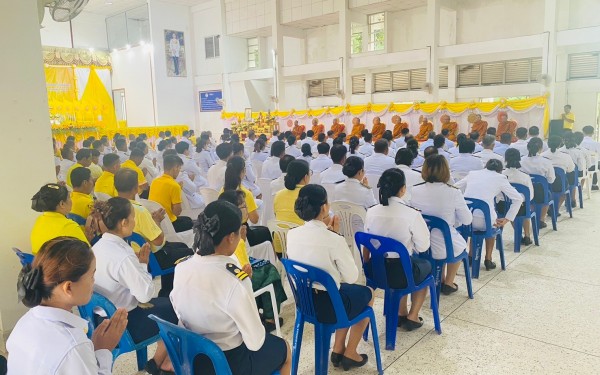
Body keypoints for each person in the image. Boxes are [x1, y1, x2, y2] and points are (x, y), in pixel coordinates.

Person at [170, 201, 291, 375]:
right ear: (231, 237)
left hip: (193, 359)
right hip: (229, 363)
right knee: (285, 349)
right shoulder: (234, 280)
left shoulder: (181, 268)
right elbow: (255, 342)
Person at [7, 238, 128, 374]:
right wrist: (103, 350)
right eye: (92, 276)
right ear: (69, 288)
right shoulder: (74, 347)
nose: (94, 282)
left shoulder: (25, 322)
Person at [286, 185, 373, 371]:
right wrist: (335, 235)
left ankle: (338, 348)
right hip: (330, 307)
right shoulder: (333, 239)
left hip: (305, 303)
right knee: (368, 294)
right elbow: (351, 277)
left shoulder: (291, 235)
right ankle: (350, 352)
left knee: (345, 292)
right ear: (324, 208)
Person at [92, 198, 177, 374]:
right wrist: (143, 266)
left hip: (101, 318)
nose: (134, 221)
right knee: (179, 308)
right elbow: (145, 295)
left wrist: (137, 266)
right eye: (133, 217)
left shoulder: (97, 247)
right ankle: (165, 364)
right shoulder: (122, 256)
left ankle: (156, 361)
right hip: (125, 325)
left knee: (166, 304)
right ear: (124, 223)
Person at [365, 168, 431, 330]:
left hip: (376, 270)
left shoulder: (372, 211)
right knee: (425, 269)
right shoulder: (411, 214)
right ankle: (412, 316)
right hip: (401, 273)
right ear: (403, 189)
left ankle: (402, 312)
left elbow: (366, 242)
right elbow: (423, 246)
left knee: (405, 266)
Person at [115, 168, 192, 296]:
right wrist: (156, 221)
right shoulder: (138, 211)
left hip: (128, 254)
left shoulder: (111, 206)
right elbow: (158, 241)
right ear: (136, 188)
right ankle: (170, 292)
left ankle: (166, 290)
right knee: (188, 252)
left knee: (180, 246)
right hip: (148, 259)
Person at [410, 155, 473, 295]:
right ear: (446, 171)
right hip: (445, 246)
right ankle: (448, 283)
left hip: (420, 246)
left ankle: (441, 277)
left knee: (447, 240)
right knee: (461, 246)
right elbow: (467, 220)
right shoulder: (453, 192)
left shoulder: (415, 190)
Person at [456, 159, 523, 270]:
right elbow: (518, 198)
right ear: (500, 170)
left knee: (475, 222)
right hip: (485, 222)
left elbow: (455, 187)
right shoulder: (500, 178)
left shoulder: (473, 174)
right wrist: (507, 219)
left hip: (466, 220)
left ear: (485, 166)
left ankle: (471, 256)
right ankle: (488, 258)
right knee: (492, 223)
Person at [30, 184, 94, 254]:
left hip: (42, 263)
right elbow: (88, 255)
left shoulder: (39, 220)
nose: (71, 200)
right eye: (69, 197)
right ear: (62, 204)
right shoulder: (69, 226)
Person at [149, 154, 194, 232]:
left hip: (155, 221)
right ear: (175, 168)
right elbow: (177, 212)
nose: (179, 171)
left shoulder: (155, 181)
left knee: (187, 219)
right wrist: (178, 191)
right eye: (179, 168)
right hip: (169, 224)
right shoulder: (174, 185)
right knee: (189, 222)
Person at [520, 137, 555, 228]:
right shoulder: (546, 161)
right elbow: (551, 179)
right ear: (541, 148)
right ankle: (541, 219)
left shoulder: (521, 160)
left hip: (525, 193)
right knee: (548, 195)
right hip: (541, 193)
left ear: (528, 148)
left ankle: (531, 213)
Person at [502, 148, 535, 245]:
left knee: (512, 210)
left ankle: (518, 233)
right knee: (523, 208)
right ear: (519, 159)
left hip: (502, 207)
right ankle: (527, 235)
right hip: (522, 208)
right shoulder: (524, 176)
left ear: (505, 159)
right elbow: (530, 196)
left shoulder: (501, 175)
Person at [222, 156, 260, 226]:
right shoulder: (245, 194)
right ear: (244, 171)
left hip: (225, 230)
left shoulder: (222, 190)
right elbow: (255, 220)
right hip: (241, 231)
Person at [542, 135, 575, 210]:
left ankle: (548, 209)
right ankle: (555, 209)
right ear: (560, 144)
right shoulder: (566, 156)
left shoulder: (542, 155)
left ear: (548, 144)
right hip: (560, 184)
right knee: (563, 194)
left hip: (545, 184)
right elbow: (571, 169)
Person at [273, 160, 310, 226]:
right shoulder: (310, 195)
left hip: (280, 235)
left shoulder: (278, 195)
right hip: (301, 235)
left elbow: (276, 215)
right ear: (305, 177)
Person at [580, 125, 600, 190]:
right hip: (592, 167)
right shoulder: (596, 143)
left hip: (581, 167)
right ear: (593, 133)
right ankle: (594, 184)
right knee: (596, 163)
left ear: (583, 132)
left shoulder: (580, 142)